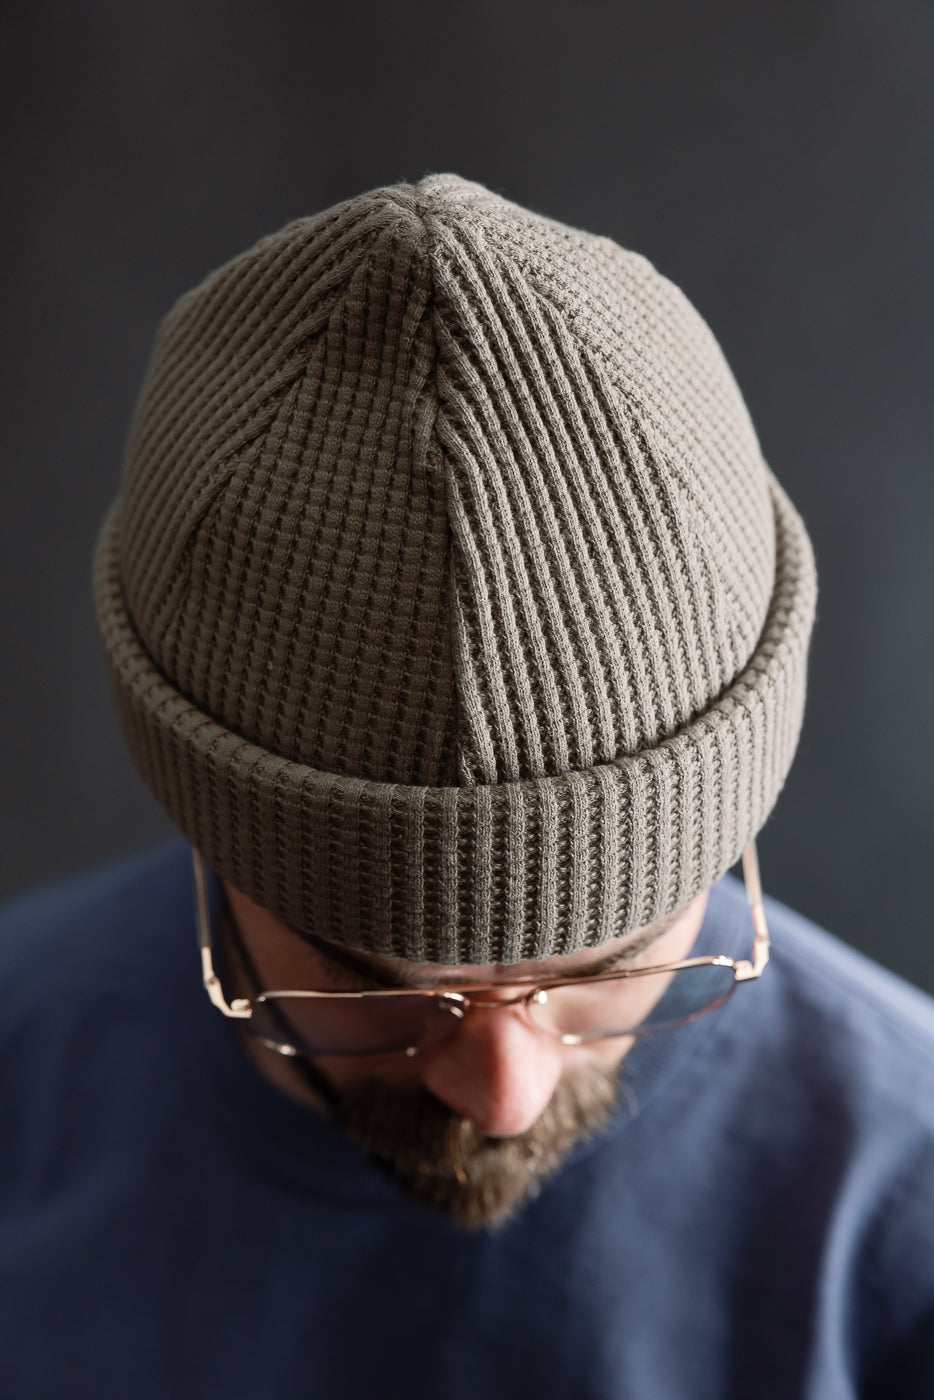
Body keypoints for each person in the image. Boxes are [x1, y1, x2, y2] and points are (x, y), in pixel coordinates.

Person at [1, 174, 932, 1399]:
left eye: (609, 965)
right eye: (371, 978)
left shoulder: (904, 1210)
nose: (502, 1091)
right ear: (209, 830)